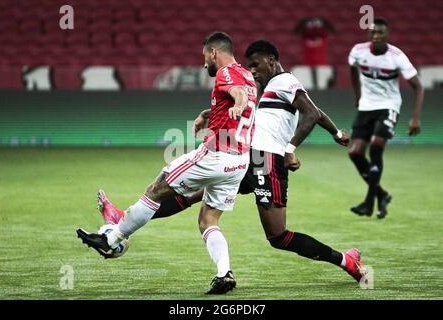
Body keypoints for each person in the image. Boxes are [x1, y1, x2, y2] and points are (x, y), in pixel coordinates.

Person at [99, 40, 367, 284]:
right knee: (195, 193)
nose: (253, 70)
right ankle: (123, 221)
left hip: (266, 161)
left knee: (278, 236)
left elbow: (311, 113)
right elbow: (314, 113)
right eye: (249, 65)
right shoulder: (273, 88)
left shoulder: (285, 81)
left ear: (272, 60)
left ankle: (345, 260)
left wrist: (289, 148)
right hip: (250, 157)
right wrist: (336, 132)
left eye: (256, 64)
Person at [77, 31, 258, 295]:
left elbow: (238, 95)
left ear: (213, 53)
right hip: (239, 163)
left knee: (156, 189)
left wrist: (238, 104)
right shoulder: (249, 76)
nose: (204, 63)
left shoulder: (226, 73)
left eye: (204, 57)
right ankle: (224, 274)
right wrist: (207, 114)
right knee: (208, 220)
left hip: (216, 155)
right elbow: (238, 101)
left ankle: (111, 239)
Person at [348, 17, 424, 218]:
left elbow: (418, 86)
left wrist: (415, 118)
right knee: (355, 153)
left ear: (387, 35)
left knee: (375, 147)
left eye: (380, 33)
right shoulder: (358, 51)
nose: (376, 36)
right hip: (366, 107)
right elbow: (352, 70)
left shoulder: (396, 56)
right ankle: (382, 195)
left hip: (389, 106)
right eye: (372, 33)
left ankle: (368, 202)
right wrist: (358, 97)